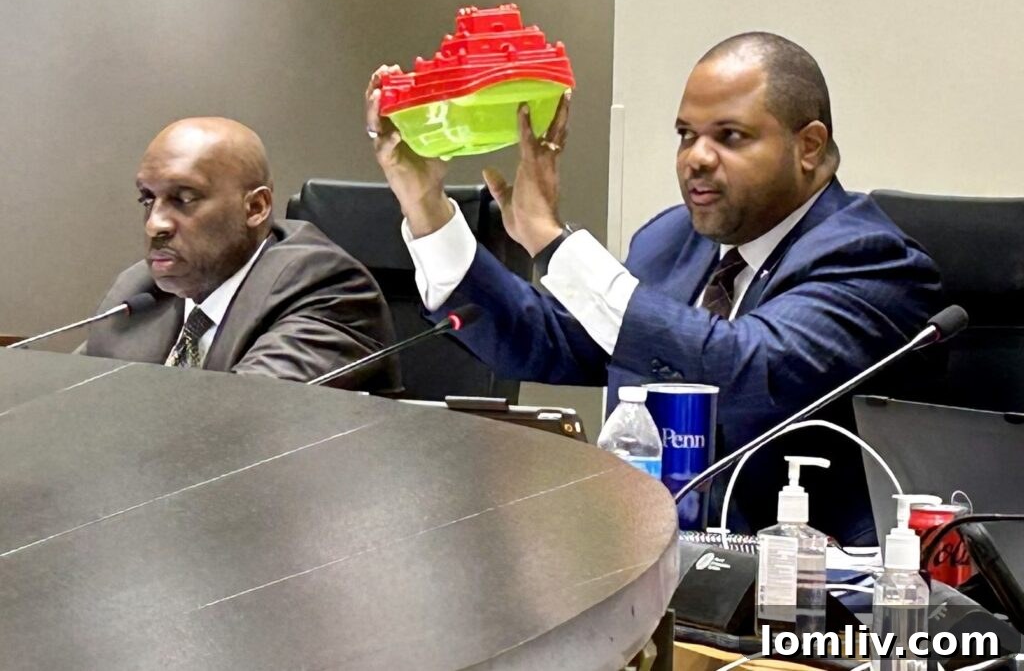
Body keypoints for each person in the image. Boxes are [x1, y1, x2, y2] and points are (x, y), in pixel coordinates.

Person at [366, 33, 942, 543]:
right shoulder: (670, 240)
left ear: (809, 146)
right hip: (645, 564)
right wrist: (427, 209)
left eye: (731, 136)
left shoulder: (872, 260)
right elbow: (546, 340)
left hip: (815, 602)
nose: (695, 158)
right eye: (685, 135)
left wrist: (555, 245)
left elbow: (746, 366)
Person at [84, 117, 400, 394]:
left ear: (256, 207)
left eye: (184, 198)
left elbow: (237, 418)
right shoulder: (137, 294)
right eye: (148, 199)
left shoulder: (326, 290)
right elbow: (67, 403)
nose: (155, 224)